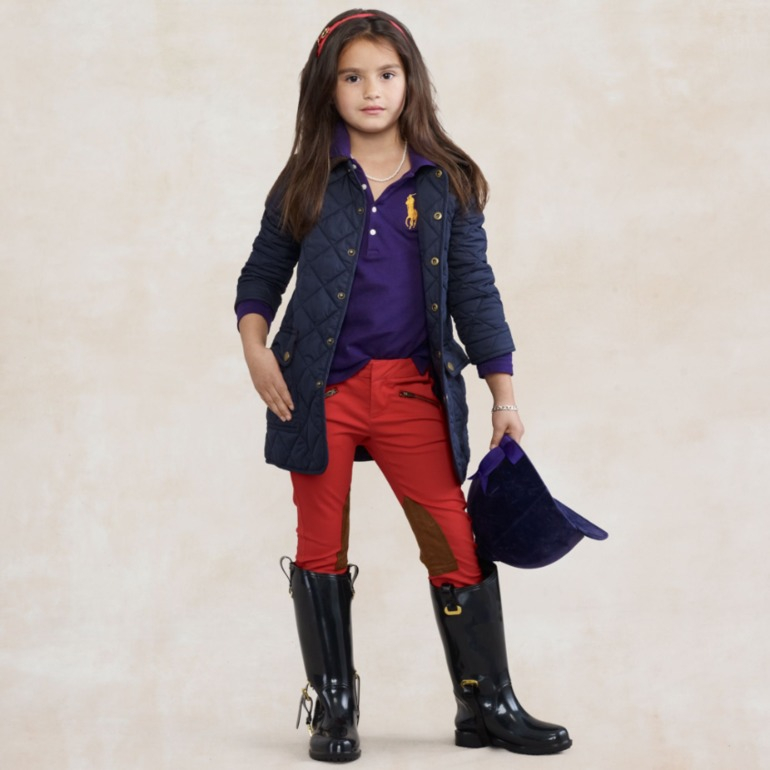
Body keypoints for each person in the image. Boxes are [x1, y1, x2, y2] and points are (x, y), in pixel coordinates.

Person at [235, 9, 571, 763]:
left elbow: (476, 294)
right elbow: (261, 274)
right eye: (352, 77)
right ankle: (335, 709)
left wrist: (504, 395)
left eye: (386, 74)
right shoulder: (306, 179)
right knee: (319, 543)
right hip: (316, 393)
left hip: (413, 392)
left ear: (410, 80)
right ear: (328, 89)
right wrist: (255, 350)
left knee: (455, 542)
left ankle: (486, 703)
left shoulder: (446, 181)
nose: (371, 90)